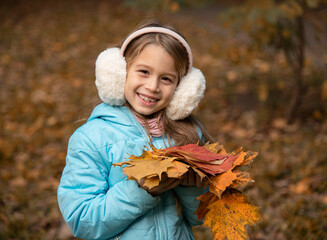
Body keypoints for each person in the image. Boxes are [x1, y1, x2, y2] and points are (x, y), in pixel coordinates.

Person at [57, 20, 213, 240]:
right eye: (144, 72)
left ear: (182, 90)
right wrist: (141, 192)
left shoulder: (187, 135)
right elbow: (82, 220)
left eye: (166, 78)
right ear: (119, 73)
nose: (152, 86)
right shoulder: (92, 139)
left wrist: (191, 188)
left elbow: (202, 218)